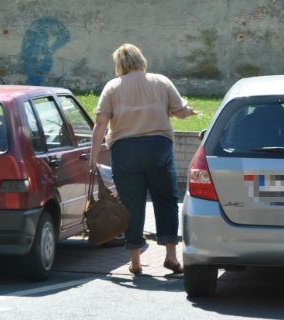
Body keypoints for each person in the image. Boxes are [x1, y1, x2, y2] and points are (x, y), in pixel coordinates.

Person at [89, 43, 197, 275]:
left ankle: (135, 260)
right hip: (158, 148)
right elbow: (180, 112)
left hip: (124, 150)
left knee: (131, 204)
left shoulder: (112, 87)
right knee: (166, 200)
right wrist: (189, 111)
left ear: (119, 64)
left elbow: (100, 124)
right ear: (141, 60)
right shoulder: (161, 81)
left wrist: (93, 156)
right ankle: (170, 255)